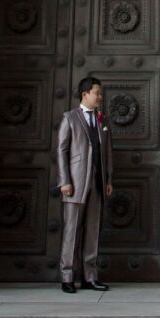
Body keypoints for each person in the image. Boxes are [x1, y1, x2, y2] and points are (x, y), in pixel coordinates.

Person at [56, 74, 113, 294]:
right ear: (85, 94)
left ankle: (90, 276)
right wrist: (64, 181)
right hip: (75, 183)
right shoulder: (70, 118)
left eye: (100, 93)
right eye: (97, 93)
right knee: (72, 231)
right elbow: (62, 151)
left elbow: (108, 153)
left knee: (92, 231)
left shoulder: (103, 121)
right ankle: (67, 277)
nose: (100, 97)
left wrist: (108, 179)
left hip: (97, 183)